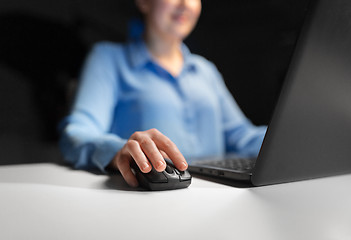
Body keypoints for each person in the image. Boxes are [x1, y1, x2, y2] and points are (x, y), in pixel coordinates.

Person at [59, 0, 267, 187]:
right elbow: (77, 134)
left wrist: (291, 134)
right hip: (151, 198)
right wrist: (118, 150)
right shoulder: (109, 59)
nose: (186, 3)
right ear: (143, 2)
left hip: (220, 194)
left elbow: (242, 136)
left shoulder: (205, 70)